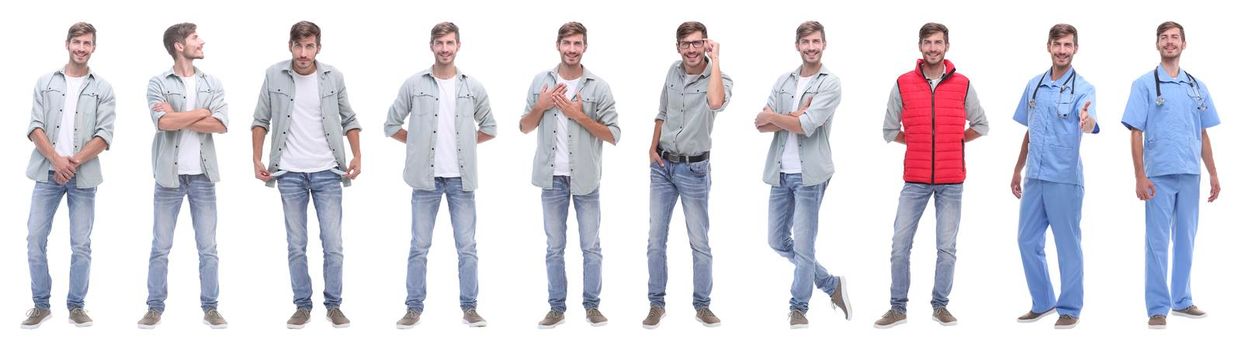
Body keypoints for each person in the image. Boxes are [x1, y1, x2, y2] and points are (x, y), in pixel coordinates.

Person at [875, 22, 989, 329]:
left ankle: (940, 305)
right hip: (914, 179)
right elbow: (889, 130)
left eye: (938, 43)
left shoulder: (963, 83)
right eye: (928, 43)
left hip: (952, 181)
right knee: (900, 245)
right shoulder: (902, 83)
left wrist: (955, 139)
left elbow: (981, 124)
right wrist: (915, 139)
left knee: (946, 248)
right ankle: (897, 307)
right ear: (920, 46)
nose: (933, 48)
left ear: (947, 46)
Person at [385, 22, 497, 328]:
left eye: (450, 43)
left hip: (462, 180)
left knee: (467, 247)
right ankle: (413, 308)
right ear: (431, 46)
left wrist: (463, 145)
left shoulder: (472, 86)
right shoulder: (414, 84)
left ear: (458, 45)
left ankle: (470, 308)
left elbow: (490, 127)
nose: (444, 48)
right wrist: (420, 143)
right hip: (425, 179)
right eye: (439, 43)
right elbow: (391, 125)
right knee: (419, 246)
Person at [251, 20, 362, 329]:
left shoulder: (332, 77)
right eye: (298, 46)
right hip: (289, 173)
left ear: (318, 47)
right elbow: (261, 119)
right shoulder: (274, 74)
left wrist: (358, 154)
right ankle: (302, 305)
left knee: (333, 244)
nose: (303, 53)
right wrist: (256, 157)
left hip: (328, 171)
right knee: (296, 244)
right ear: (290, 46)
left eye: (309, 46)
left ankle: (334, 305)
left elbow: (349, 118)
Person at [518, 22, 620, 329]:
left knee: (591, 246)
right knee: (554, 247)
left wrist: (579, 116)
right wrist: (540, 106)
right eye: (567, 44)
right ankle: (556, 308)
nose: (572, 49)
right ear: (558, 45)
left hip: (586, 179)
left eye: (578, 44)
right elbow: (524, 126)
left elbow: (614, 134)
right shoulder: (541, 82)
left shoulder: (598, 87)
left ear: (585, 47)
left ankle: (592, 306)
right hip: (552, 180)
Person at [1121, 21, 1220, 330]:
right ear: (1157, 45)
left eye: (1175, 37)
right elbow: (1135, 131)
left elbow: (1203, 133)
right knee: (1157, 242)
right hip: (1159, 175)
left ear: (1184, 44)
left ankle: (1182, 299)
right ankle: (1157, 307)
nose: (1169, 42)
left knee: (1187, 240)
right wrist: (1139, 175)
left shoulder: (1196, 86)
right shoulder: (1145, 84)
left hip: (1190, 173)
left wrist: (1214, 175)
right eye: (1164, 38)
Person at [21, 22, 116, 329]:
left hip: (83, 177)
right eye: (77, 42)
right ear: (67, 44)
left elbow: (104, 135)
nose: (81, 48)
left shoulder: (103, 89)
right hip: (46, 173)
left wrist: (71, 162)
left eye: (87, 43)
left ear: (93, 48)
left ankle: (76, 305)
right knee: (35, 238)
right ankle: (40, 305)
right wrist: (56, 160)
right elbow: (35, 126)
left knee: (81, 244)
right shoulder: (45, 82)